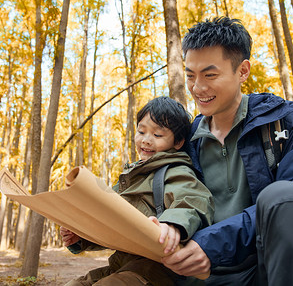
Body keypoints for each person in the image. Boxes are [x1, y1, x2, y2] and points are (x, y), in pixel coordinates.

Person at [161, 17, 293, 285]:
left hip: (269, 268)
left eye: (210, 75)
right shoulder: (184, 140)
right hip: (199, 276)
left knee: (286, 194)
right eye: (191, 75)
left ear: (242, 71)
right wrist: (88, 232)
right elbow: (151, 189)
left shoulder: (289, 121)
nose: (197, 88)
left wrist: (213, 244)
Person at [61, 96, 214, 286]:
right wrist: (80, 237)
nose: (146, 140)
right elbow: (111, 224)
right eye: (141, 131)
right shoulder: (130, 178)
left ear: (178, 141)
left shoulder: (175, 171)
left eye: (158, 135)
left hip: (155, 270)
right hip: (120, 263)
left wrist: (173, 224)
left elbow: (192, 198)